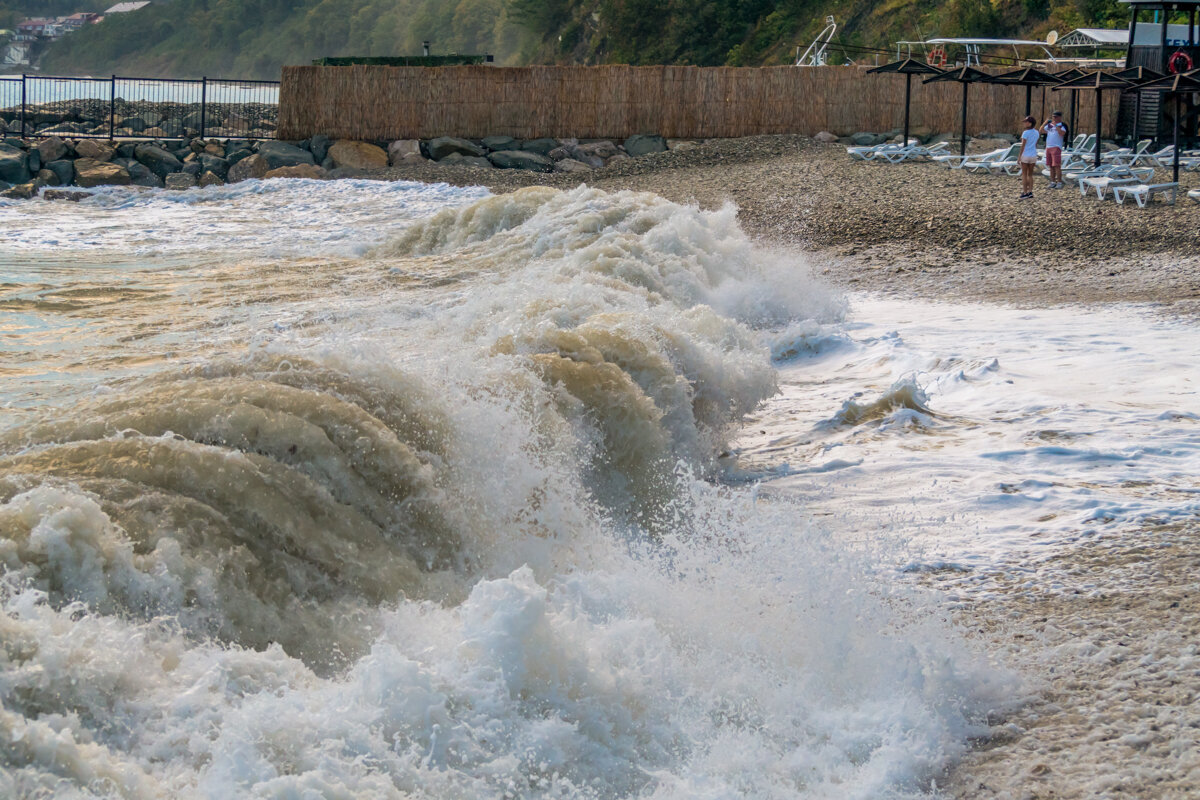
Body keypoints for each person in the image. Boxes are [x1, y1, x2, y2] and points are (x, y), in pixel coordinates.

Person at [1042, 111, 1068, 188]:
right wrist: (1045, 123)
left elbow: (1061, 133)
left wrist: (1056, 125)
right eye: (1053, 117)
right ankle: (1053, 181)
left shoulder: (1062, 126)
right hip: (1048, 147)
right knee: (1051, 166)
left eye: (1056, 117)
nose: (1054, 118)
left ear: (1060, 117)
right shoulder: (1050, 126)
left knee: (1057, 166)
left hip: (1056, 147)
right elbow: (1041, 131)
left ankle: (1059, 182)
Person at [1018, 115, 1039, 200]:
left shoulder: (1025, 133)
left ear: (1030, 123)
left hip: (1026, 155)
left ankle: (1025, 192)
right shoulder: (1036, 132)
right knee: (1030, 175)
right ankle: (1030, 191)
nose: (1024, 123)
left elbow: (1023, 145)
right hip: (1033, 154)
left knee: (1024, 174)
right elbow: (1035, 143)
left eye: (1026, 122)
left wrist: (1019, 156)